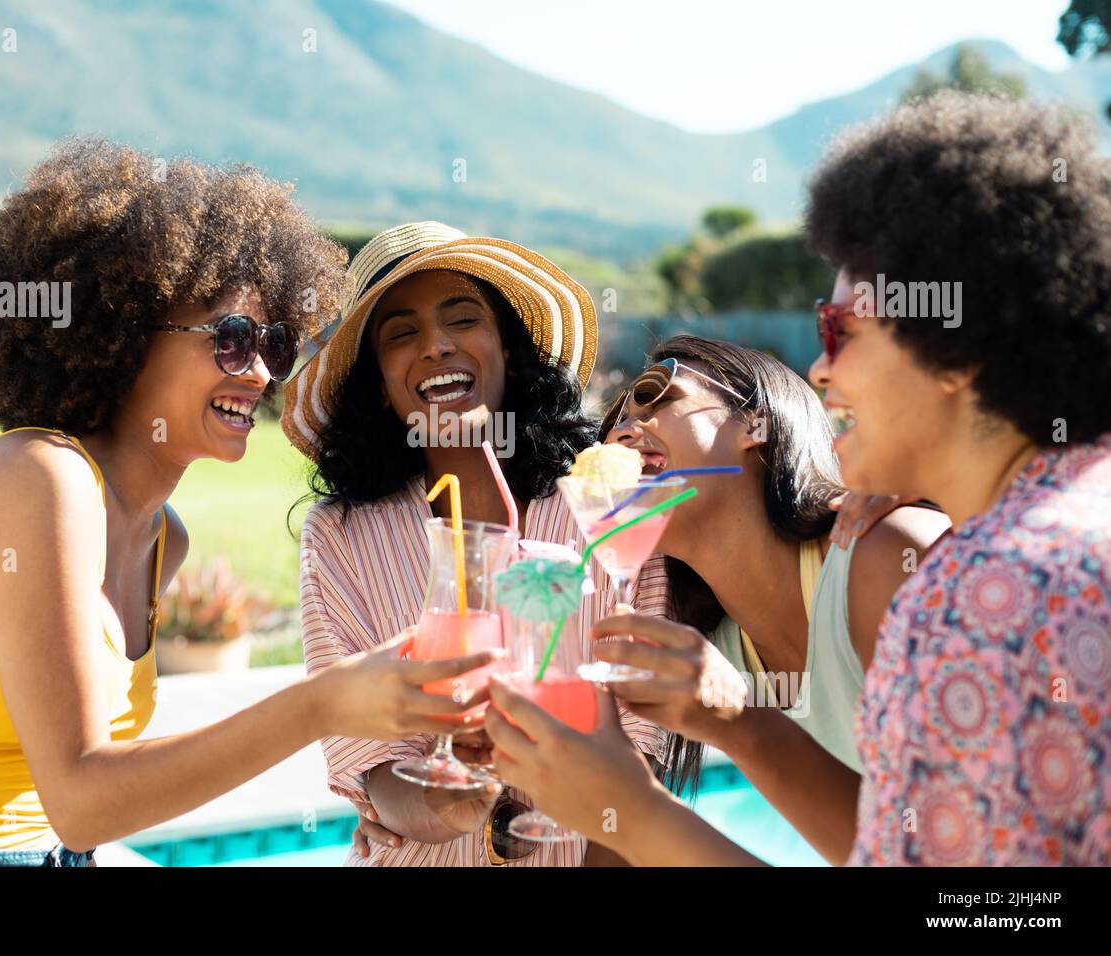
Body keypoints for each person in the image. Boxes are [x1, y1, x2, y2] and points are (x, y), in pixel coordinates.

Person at [0, 142, 500, 868]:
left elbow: (98, 792)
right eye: (232, 338)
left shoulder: (163, 538)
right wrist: (323, 703)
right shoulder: (37, 477)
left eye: (274, 341)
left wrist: (385, 797)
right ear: (125, 335)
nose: (261, 370)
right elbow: (82, 801)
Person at [485, 92, 1111, 866]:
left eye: (839, 330)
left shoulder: (973, 585)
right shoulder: (1068, 519)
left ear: (955, 344)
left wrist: (629, 812)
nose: (819, 367)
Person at [283, 222, 668, 866]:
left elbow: (643, 739)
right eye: (401, 334)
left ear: (508, 351)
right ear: (379, 381)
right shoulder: (342, 535)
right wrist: (451, 799)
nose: (435, 346)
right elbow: (370, 767)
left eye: (463, 320)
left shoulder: (607, 502)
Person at [594, 335, 947, 862]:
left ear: (756, 424)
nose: (621, 432)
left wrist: (737, 723)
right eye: (613, 423)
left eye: (656, 394)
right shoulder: (702, 649)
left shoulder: (887, 558)